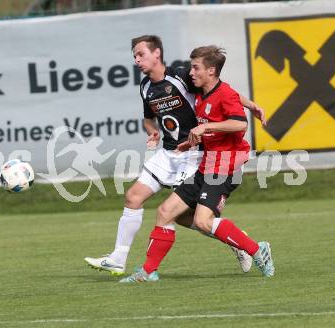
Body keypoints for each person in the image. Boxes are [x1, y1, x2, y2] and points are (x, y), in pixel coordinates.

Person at [84, 35, 266, 276]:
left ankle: (236, 242)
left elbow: (221, 90)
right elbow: (149, 119)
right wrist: (152, 133)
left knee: (183, 216)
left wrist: (250, 104)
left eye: (141, 54)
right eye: (134, 56)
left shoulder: (181, 76)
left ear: (156, 53)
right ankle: (118, 258)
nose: (137, 60)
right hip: (168, 153)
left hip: (193, 155)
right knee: (133, 197)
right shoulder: (146, 87)